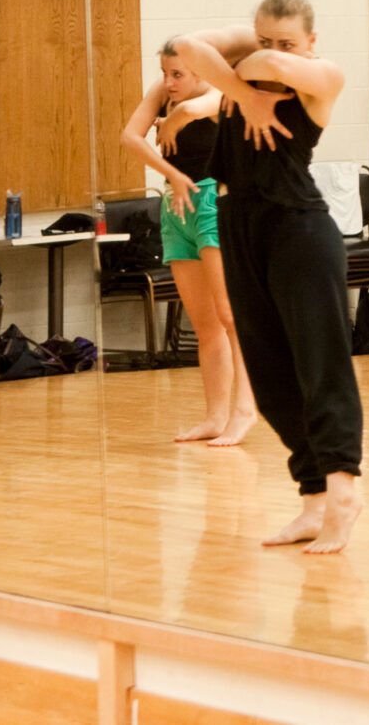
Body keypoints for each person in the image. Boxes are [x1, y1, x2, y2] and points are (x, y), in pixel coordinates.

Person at [174, 0, 364, 551]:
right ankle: (312, 498)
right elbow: (186, 47)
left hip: (298, 230)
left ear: (311, 43)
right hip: (238, 226)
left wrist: (248, 58)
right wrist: (240, 91)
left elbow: (276, 66)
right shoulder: (242, 81)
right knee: (272, 377)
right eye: (263, 37)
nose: (272, 51)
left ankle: (343, 487)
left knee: (320, 367)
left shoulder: (322, 76)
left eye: (287, 41)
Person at [119, 41, 257, 446]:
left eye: (177, 74)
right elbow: (130, 136)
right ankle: (215, 416)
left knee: (230, 315)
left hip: (214, 201)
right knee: (204, 324)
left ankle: (245, 409)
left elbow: (203, 107)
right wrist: (171, 174)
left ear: (199, 71)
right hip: (175, 205)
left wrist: (178, 115)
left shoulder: (223, 91)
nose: (168, 82)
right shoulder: (162, 92)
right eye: (164, 73)